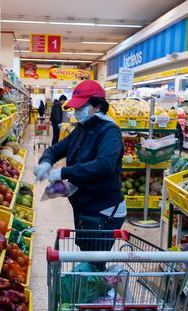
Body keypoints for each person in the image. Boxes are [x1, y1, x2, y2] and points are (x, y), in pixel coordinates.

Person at [34, 80, 126, 270]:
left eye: (82, 106)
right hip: (86, 205)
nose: (77, 111)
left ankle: (95, 292)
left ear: (97, 106)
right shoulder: (82, 129)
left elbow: (104, 165)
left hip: (104, 209)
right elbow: (57, 148)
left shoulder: (110, 131)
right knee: (86, 252)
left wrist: (64, 172)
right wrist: (46, 161)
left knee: (94, 261)